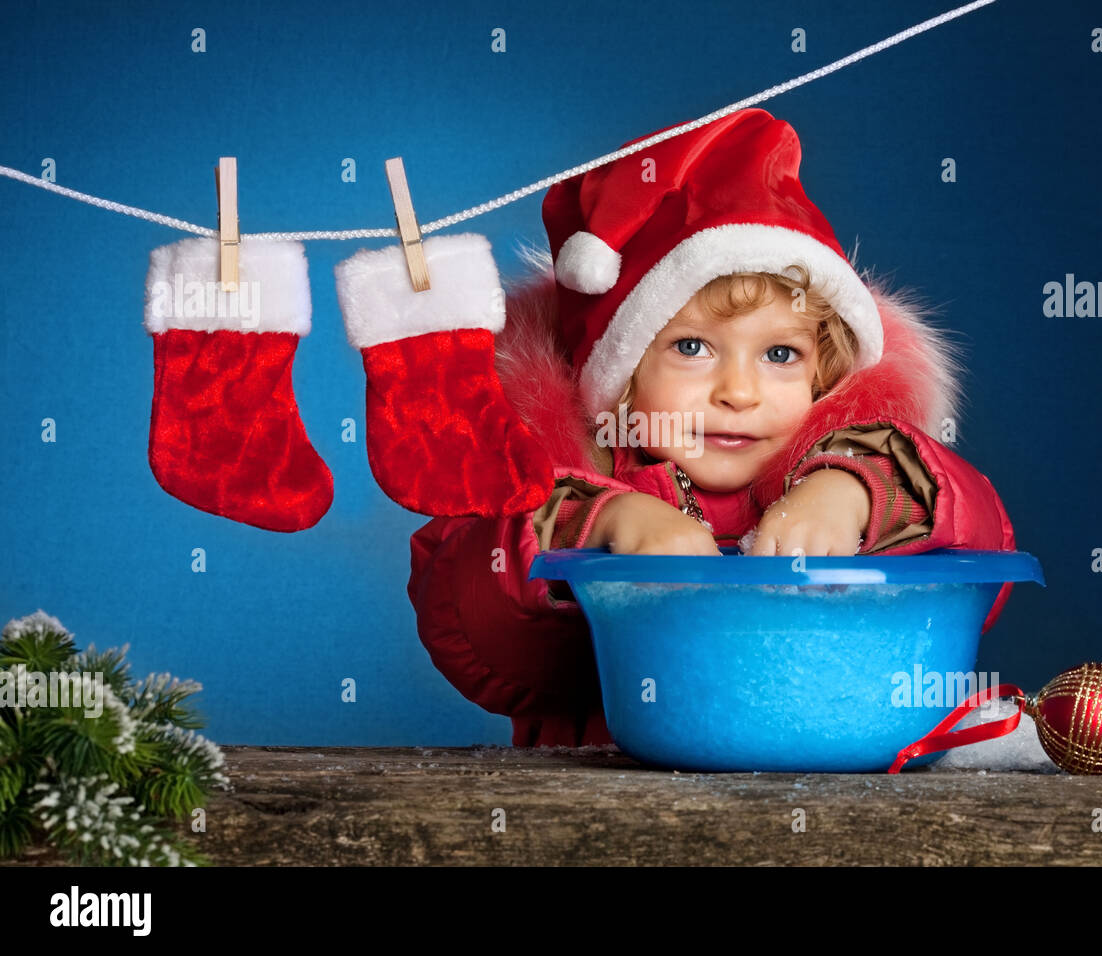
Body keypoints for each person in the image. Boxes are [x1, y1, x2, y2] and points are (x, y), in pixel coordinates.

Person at [335, 108, 1018, 747]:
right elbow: (479, 637)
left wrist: (858, 490)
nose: (739, 392)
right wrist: (596, 525)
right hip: (597, 817)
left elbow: (979, 543)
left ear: (822, 374)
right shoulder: (542, 488)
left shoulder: (856, 468)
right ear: (622, 371)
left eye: (781, 355)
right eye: (692, 347)